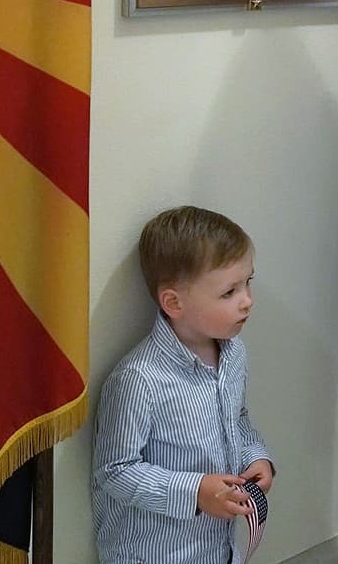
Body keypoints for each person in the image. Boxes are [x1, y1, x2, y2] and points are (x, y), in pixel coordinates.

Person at [92, 206, 273, 564]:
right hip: (152, 555)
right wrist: (194, 492)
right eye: (229, 292)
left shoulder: (234, 353)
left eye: (248, 282)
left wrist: (255, 455)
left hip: (217, 549)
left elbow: (236, 417)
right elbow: (114, 470)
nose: (247, 301)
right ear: (174, 302)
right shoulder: (139, 379)